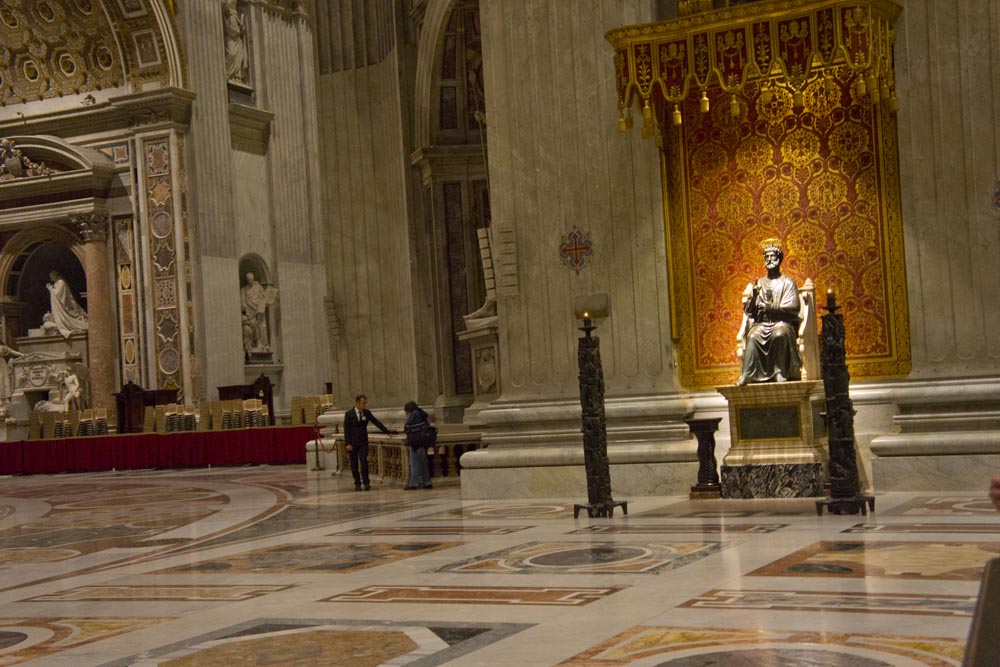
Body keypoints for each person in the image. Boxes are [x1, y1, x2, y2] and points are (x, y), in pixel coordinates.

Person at [736, 238, 802, 386]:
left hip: (782, 322)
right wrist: (753, 298)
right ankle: (747, 374)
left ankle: (780, 372)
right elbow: (749, 311)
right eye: (767, 257)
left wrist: (772, 308)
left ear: (779, 259)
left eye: (773, 256)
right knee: (752, 336)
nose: (770, 260)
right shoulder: (759, 283)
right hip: (762, 323)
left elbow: (794, 307)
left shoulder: (788, 283)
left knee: (779, 334)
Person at [343, 394, 396, 491]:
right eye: (363, 403)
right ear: (358, 403)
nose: (364, 405)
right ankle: (357, 483)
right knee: (354, 464)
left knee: (364, 462)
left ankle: (366, 482)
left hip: (363, 442)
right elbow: (346, 430)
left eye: (365, 403)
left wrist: (387, 432)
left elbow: (376, 422)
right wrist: (347, 443)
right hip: (353, 443)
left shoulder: (366, 413)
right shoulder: (349, 414)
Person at [47, 271, 88, 339]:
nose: (51, 279)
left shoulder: (61, 282)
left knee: (76, 322)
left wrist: (50, 289)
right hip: (63, 307)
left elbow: (58, 295)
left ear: (56, 275)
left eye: (52, 277)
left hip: (67, 307)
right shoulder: (56, 283)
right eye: (50, 277)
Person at [403, 401, 434, 490]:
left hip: (415, 442)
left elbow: (407, 427)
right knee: (423, 463)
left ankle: (413, 484)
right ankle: (427, 482)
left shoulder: (414, 414)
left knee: (414, 464)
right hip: (424, 442)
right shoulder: (421, 413)